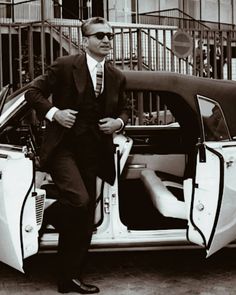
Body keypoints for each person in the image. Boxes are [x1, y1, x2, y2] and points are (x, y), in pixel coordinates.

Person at [25, 16, 131, 294]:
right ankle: (49, 210)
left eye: (109, 35)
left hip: (94, 152)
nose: (106, 40)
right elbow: (33, 92)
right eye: (99, 35)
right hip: (63, 148)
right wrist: (54, 113)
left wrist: (117, 123)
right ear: (85, 41)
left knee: (83, 218)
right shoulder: (64, 66)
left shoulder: (117, 76)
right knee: (80, 200)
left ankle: (69, 278)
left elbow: (124, 110)